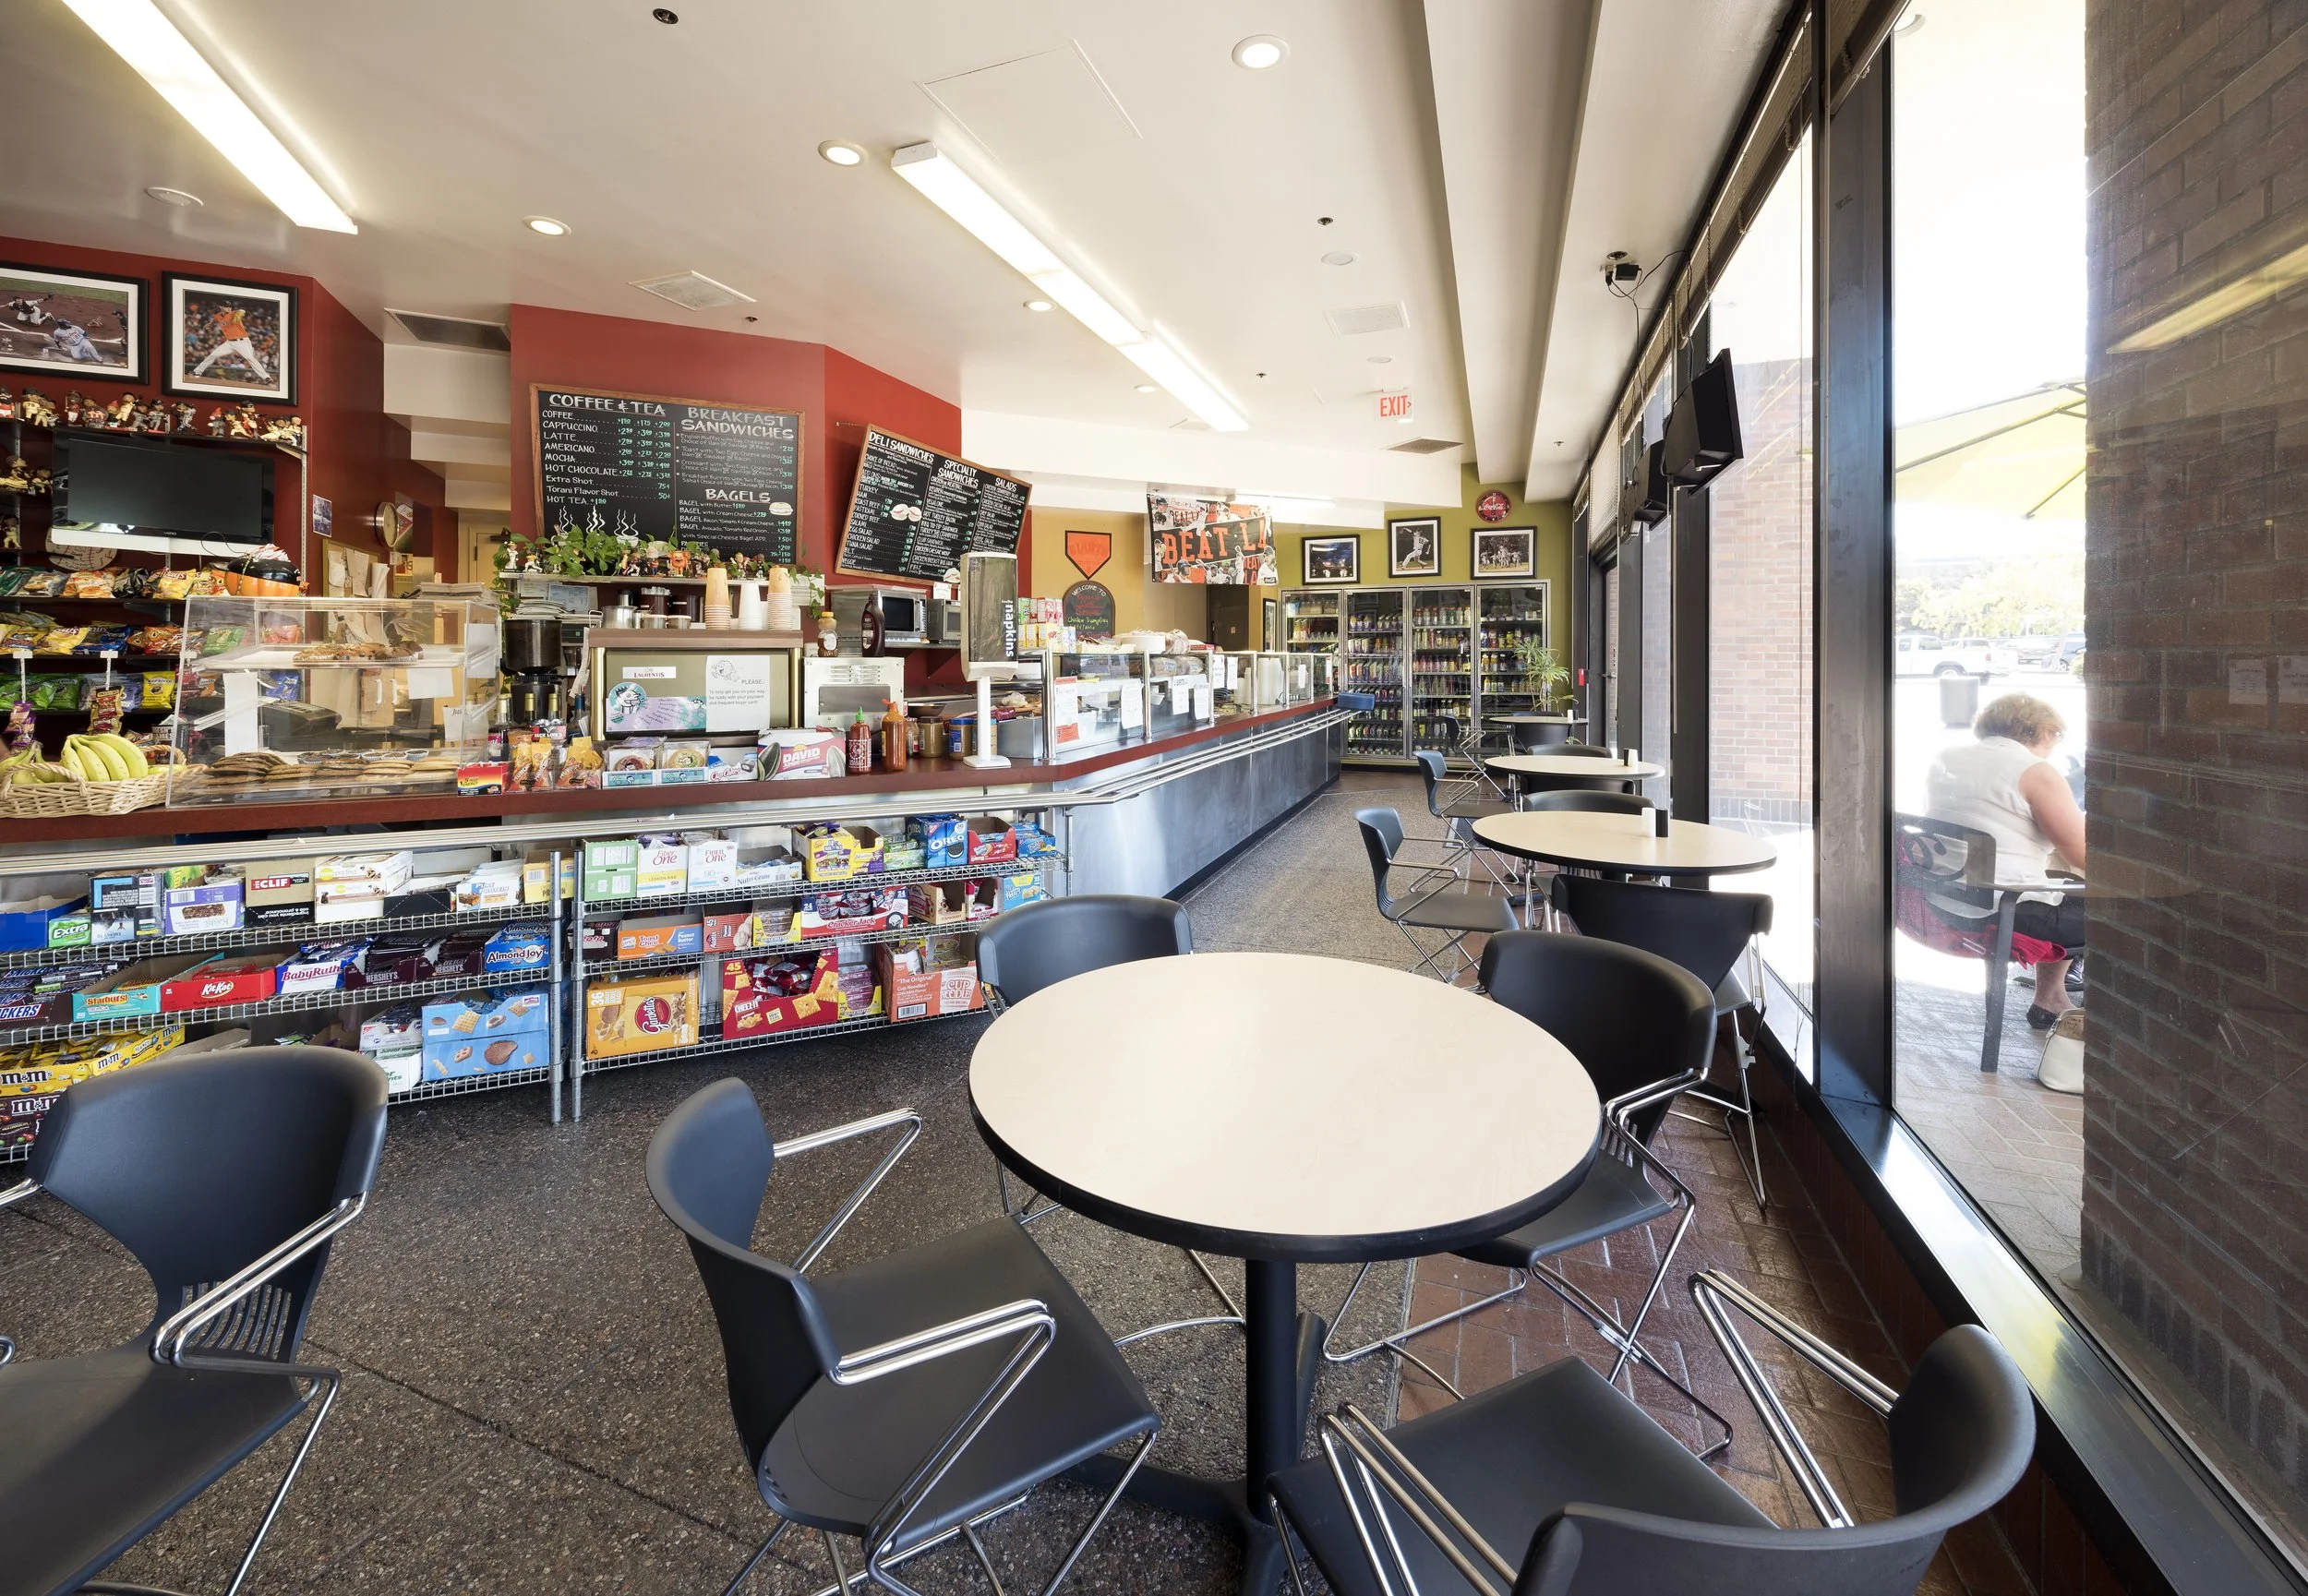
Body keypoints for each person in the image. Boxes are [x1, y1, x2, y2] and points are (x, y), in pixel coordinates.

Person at [1925, 692, 2086, 1027]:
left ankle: (2051, 999)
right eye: (2056, 736)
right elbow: (2081, 852)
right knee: (2113, 907)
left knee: (2059, 866)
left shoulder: (1947, 757)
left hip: (1942, 900)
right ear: (2044, 732)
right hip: (2004, 911)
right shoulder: (2036, 771)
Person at [191, 303, 270, 382]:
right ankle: (197, 372)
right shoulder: (218, 316)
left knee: (250, 358)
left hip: (242, 342)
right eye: (226, 306)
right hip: (229, 343)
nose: (229, 308)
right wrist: (208, 325)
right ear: (221, 307)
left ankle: (266, 377)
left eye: (230, 306)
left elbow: (242, 311)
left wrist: (239, 315)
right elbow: (213, 322)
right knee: (213, 355)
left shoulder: (233, 313)